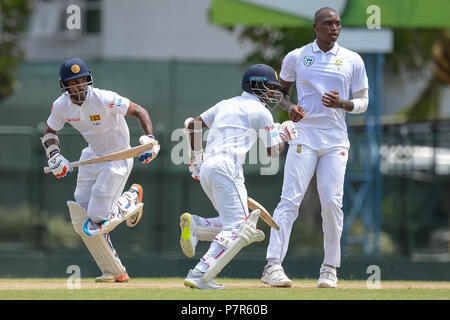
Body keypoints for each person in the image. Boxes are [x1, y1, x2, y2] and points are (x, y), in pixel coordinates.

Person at [261, 7, 369, 288]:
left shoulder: (352, 60)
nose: (334, 28)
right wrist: (290, 107)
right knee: (290, 200)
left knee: (332, 202)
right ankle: (273, 266)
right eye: (328, 23)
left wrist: (342, 104)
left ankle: (329, 268)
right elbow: (279, 93)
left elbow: (363, 102)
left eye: (338, 24)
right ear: (315, 27)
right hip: (304, 135)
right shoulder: (297, 57)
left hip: (335, 140)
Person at [41, 58, 160, 282]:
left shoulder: (104, 98)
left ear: (88, 80)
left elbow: (139, 111)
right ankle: (115, 272)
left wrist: (150, 138)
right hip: (92, 156)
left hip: (118, 157)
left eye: (81, 81)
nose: (78, 86)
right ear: (64, 86)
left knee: (97, 216)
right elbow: (49, 133)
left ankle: (131, 197)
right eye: (72, 83)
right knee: (82, 217)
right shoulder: (61, 106)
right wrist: (54, 155)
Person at [179, 64, 298, 289]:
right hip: (227, 166)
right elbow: (273, 151)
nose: (274, 94)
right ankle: (200, 273)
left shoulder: (226, 104)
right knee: (240, 227)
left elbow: (192, 125)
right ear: (255, 85)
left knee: (231, 223)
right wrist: (284, 133)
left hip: (208, 168)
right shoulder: (261, 112)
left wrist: (196, 160)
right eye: (270, 88)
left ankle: (196, 224)